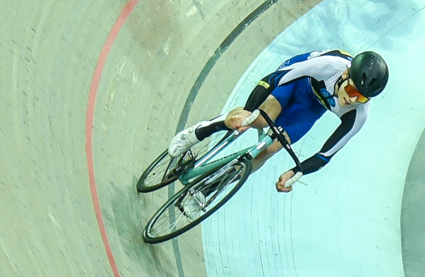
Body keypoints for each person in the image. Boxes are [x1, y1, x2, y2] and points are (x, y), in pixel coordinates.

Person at [165, 48, 386, 192]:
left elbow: (325, 155)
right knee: (259, 119)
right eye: (352, 91)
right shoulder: (329, 65)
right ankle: (198, 132)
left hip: (311, 107)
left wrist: (296, 172)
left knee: (269, 149)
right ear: (346, 74)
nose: (352, 100)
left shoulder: (359, 114)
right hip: (296, 81)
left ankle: (208, 190)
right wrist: (248, 111)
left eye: (361, 98)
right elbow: (272, 79)